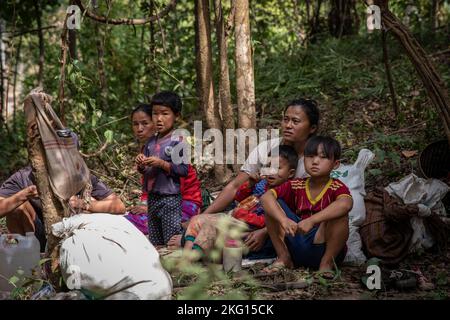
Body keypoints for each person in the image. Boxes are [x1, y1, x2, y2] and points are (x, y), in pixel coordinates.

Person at [202, 98, 320, 253]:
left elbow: (307, 210)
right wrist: (203, 216)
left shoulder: (315, 162)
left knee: (216, 240)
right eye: (286, 119)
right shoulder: (267, 148)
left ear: (312, 128)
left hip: (288, 225)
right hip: (252, 217)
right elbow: (235, 186)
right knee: (201, 227)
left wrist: (265, 232)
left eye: (296, 121)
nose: (288, 125)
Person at [183, 145, 298, 258]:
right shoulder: (261, 184)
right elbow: (239, 198)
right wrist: (250, 185)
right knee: (196, 219)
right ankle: (187, 254)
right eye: (268, 166)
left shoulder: (287, 191)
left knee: (211, 227)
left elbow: (282, 217)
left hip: (251, 226)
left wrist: (258, 226)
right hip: (235, 218)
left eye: (277, 168)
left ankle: (192, 259)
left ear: (291, 173)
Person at [260, 136, 353, 275]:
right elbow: (266, 197)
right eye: (310, 156)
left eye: (323, 157)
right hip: (297, 243)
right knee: (273, 204)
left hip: (322, 246)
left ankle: (326, 264)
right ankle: (284, 258)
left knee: (340, 215)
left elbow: (346, 204)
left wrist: (312, 220)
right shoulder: (296, 184)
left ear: (335, 164)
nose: (315, 161)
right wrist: (283, 220)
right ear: (303, 160)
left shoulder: (336, 187)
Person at [0, 166, 126, 252]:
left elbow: (119, 206)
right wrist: (23, 195)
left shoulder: (81, 175)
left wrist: (82, 203)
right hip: (38, 235)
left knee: (93, 202)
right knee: (17, 207)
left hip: (75, 234)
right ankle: (27, 259)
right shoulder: (23, 177)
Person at [126, 103, 202, 237]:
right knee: (129, 219)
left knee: (133, 224)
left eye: (145, 123)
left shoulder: (174, 144)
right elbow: (149, 182)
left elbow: (178, 182)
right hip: (159, 202)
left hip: (184, 202)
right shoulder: (148, 148)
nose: (139, 129)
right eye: (135, 124)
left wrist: (148, 208)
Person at [135, 91, 189, 246]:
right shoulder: (151, 142)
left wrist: (162, 164)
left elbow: (183, 170)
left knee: (171, 239)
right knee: (155, 239)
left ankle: (177, 268)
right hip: (153, 198)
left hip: (170, 199)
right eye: (155, 114)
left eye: (165, 113)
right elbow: (145, 171)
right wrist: (141, 165)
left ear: (176, 115)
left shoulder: (178, 141)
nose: (159, 119)